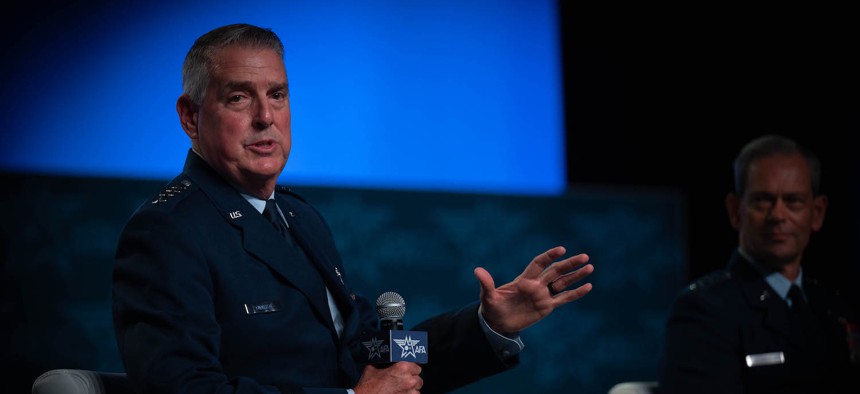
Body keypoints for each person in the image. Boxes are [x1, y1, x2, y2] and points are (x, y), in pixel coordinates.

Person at [111, 23, 595, 394]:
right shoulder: (168, 232)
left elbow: (373, 349)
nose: (265, 117)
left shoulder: (300, 219)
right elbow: (184, 388)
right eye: (239, 97)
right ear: (191, 117)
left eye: (277, 95)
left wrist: (485, 326)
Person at [657, 134, 859, 393]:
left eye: (793, 201)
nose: (777, 215)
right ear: (735, 211)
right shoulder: (704, 311)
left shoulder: (835, 310)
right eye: (762, 201)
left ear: (817, 213)